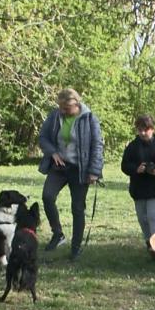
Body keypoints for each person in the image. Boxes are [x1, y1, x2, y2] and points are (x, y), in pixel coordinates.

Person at [38, 88, 104, 261]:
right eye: (61, 107)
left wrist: (94, 171)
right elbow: (43, 137)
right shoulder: (55, 116)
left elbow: (97, 145)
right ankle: (58, 234)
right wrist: (52, 152)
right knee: (47, 196)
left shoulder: (89, 119)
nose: (63, 111)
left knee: (77, 207)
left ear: (76, 104)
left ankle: (76, 247)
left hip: (80, 169)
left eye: (66, 108)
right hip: (59, 166)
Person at [120, 115, 155, 258]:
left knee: (154, 217)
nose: (143, 133)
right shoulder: (133, 146)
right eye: (140, 130)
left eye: (146, 130)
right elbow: (125, 165)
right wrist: (136, 169)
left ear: (152, 129)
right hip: (139, 188)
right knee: (143, 218)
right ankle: (150, 244)